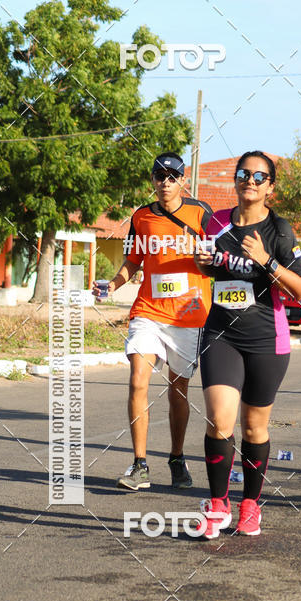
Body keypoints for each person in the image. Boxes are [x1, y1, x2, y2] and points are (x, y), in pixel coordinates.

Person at [193, 151, 301, 538]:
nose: (251, 181)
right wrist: (202, 263)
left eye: (260, 177)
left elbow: (300, 289)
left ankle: (250, 506)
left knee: (254, 428)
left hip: (266, 338)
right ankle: (218, 505)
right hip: (220, 333)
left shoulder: (279, 230)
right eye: (245, 174)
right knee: (219, 421)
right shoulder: (217, 222)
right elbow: (208, 266)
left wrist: (266, 261)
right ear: (236, 179)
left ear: (270, 187)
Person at [94, 152, 213, 490]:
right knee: (137, 379)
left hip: (189, 314)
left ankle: (176, 457)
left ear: (182, 181)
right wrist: (111, 285)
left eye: (172, 177)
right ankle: (139, 464)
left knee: (178, 391)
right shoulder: (141, 217)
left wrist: (208, 263)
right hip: (148, 310)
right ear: (153, 180)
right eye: (159, 176)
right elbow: (132, 261)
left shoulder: (201, 213)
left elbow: (216, 257)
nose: (165, 182)